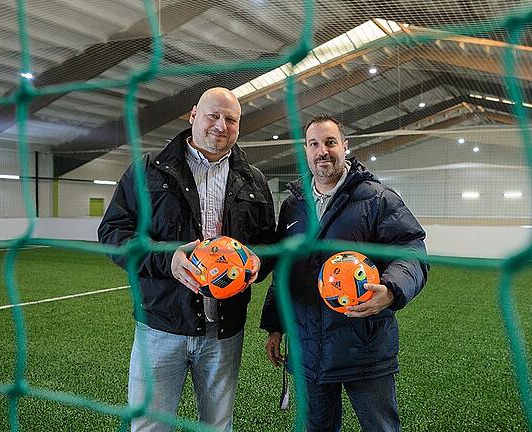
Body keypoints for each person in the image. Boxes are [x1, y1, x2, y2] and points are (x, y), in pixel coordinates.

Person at [98, 87, 276, 431]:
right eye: (213, 115)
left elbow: (268, 242)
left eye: (231, 119)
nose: (221, 126)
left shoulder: (253, 178)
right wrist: (168, 259)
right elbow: (114, 233)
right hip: (160, 327)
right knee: (149, 425)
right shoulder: (148, 169)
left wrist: (258, 261)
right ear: (193, 115)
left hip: (224, 332)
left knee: (216, 425)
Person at [260, 114, 428, 432]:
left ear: (345, 146)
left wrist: (391, 289)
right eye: (314, 144)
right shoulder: (293, 206)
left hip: (363, 345)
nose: (322, 150)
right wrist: (275, 325)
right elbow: (285, 269)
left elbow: (412, 251)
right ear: (306, 151)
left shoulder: (378, 199)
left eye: (330, 142)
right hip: (307, 346)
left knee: (380, 427)